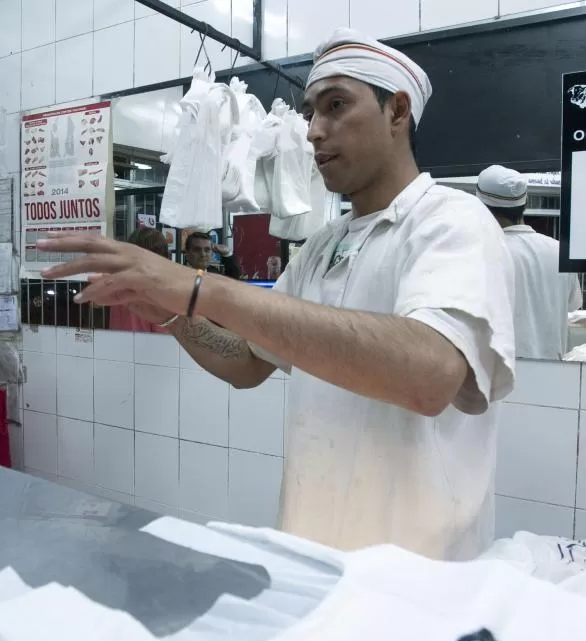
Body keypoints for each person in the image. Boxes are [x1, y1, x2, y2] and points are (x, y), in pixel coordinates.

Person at [38, 28, 515, 561]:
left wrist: (200, 288)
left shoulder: (451, 221)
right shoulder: (321, 246)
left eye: (336, 106)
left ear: (397, 112)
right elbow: (247, 361)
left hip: (420, 578)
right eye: (311, 112)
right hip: (317, 558)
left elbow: (430, 376)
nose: (314, 131)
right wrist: (171, 316)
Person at [477, 165, 582, 360]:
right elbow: (572, 305)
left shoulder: (480, 253)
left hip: (500, 378)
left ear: (482, 206)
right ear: (524, 204)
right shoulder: (559, 251)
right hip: (553, 374)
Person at [108, 228, 172, 334]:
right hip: (150, 347)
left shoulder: (118, 283)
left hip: (118, 345)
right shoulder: (159, 290)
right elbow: (163, 335)